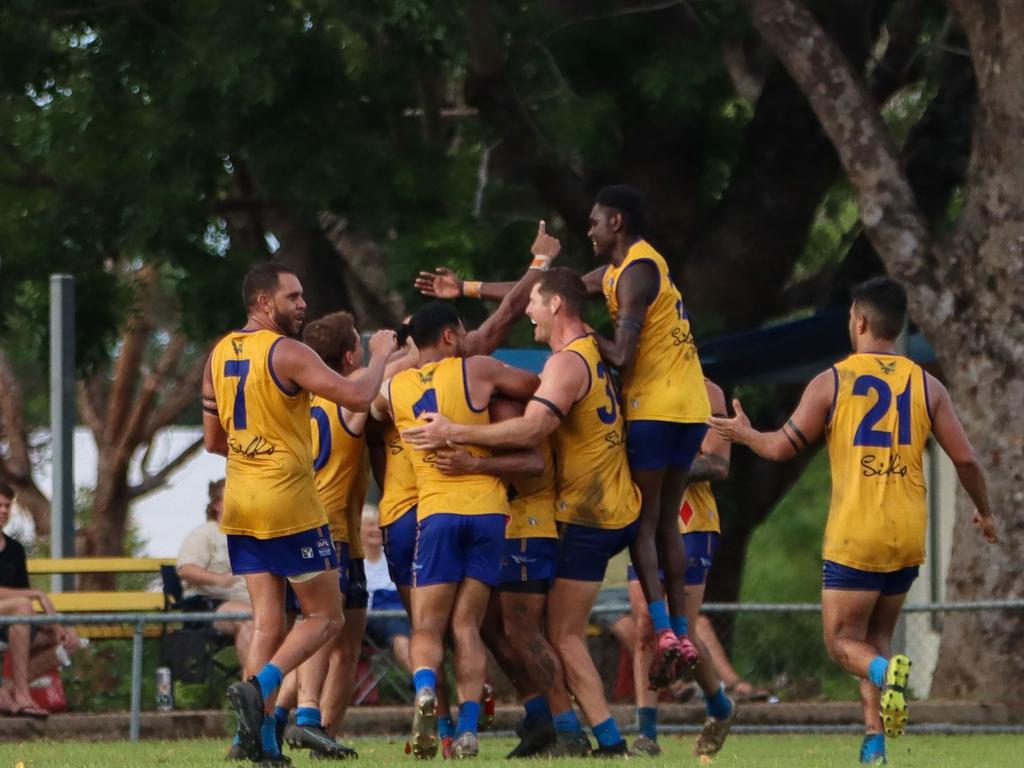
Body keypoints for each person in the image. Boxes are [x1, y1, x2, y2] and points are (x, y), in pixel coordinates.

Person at [418, 190, 711, 690]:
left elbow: (618, 354)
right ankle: (679, 634)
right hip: (689, 407)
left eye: (596, 223)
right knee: (661, 523)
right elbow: (551, 290)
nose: (589, 231)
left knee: (638, 531)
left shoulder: (636, 274)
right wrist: (465, 287)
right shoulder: (626, 271)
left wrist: (576, 332)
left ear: (616, 221)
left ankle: (662, 637)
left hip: (650, 419)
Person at [709, 276, 999, 766]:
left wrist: (743, 433)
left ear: (860, 321)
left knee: (842, 643)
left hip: (855, 534)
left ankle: (888, 675)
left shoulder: (833, 381)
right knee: (876, 638)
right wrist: (986, 513)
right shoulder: (928, 385)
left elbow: (781, 447)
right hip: (906, 533)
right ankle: (873, 744)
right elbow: (967, 460)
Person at [403, 268, 641, 756]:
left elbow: (532, 445)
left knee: (541, 632)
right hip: (565, 513)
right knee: (497, 625)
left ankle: (574, 732)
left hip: (551, 517)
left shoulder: (558, 368)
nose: (529, 311)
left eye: (535, 302)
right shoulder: (570, 359)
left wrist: (462, 442)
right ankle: (554, 724)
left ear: (555, 306)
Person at [202, 261, 397, 765]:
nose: (302, 304)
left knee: (268, 622)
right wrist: (378, 355)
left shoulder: (218, 353)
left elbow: (213, 440)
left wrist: (252, 453)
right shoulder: (287, 351)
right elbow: (357, 393)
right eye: (293, 297)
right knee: (326, 616)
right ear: (264, 302)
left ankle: (259, 741)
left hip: (241, 502)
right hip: (288, 501)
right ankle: (261, 686)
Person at [377, 221, 561, 756]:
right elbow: (535, 389)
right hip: (487, 514)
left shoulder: (397, 387)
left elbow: (371, 406)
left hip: (431, 514)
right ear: (453, 337)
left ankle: (426, 697)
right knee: (469, 627)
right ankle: (468, 731)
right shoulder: (477, 370)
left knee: (427, 629)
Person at [432, 399, 571, 758]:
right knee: (486, 626)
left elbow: (533, 463)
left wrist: (473, 463)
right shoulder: (478, 406)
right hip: (502, 525)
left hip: (529, 525)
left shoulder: (509, 407)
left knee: (524, 631)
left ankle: (568, 729)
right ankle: (540, 717)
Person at [280, 311, 379, 759]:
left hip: (314, 530)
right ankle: (313, 723)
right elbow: (381, 379)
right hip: (332, 533)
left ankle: (296, 725)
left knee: (336, 639)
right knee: (330, 637)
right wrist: (394, 349)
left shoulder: (297, 400)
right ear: (351, 355)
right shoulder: (348, 398)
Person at [624, 379, 736, 757]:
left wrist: (660, 466)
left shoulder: (708, 391)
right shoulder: (630, 381)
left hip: (692, 521)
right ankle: (647, 735)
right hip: (644, 521)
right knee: (644, 626)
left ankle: (719, 703)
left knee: (678, 628)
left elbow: (718, 463)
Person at [0, 481, 83, 718]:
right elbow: (23, 598)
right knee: (25, 604)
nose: (4, 511)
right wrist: (38, 595)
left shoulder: (15, 549)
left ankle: (6, 691)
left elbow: (19, 595)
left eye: (7, 506)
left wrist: (54, 625)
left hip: (10, 621)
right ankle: (23, 696)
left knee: (65, 639)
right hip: (9, 613)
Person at [176, 479, 254, 674]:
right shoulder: (205, 533)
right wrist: (220, 580)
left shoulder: (252, 535)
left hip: (256, 601)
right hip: (213, 604)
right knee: (252, 620)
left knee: (295, 621)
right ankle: (255, 693)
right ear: (218, 505)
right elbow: (186, 569)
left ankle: (295, 697)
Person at [361, 507, 412, 674]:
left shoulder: (391, 557)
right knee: (398, 634)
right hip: (369, 621)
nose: (376, 529)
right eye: (370, 525)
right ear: (359, 529)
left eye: (378, 525)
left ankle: (426, 684)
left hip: (401, 616)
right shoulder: (357, 562)